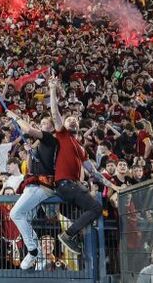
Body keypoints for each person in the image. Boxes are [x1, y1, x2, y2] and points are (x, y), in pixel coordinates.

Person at [47, 75, 104, 255]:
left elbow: (93, 171)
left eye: (75, 119)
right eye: (68, 119)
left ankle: (76, 237)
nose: (72, 120)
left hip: (73, 186)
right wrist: (52, 89)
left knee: (89, 213)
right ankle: (68, 235)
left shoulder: (81, 147)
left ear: (79, 126)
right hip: (66, 184)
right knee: (96, 208)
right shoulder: (63, 135)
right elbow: (55, 113)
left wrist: (114, 185)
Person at [5, 108, 58, 270]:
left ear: (52, 127)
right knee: (22, 217)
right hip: (32, 183)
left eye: (46, 124)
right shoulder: (39, 144)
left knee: (15, 213)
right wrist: (28, 152)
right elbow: (29, 168)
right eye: (41, 123)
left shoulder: (50, 139)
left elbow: (27, 129)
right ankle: (36, 252)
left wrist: (15, 116)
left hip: (42, 185)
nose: (43, 126)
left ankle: (33, 250)